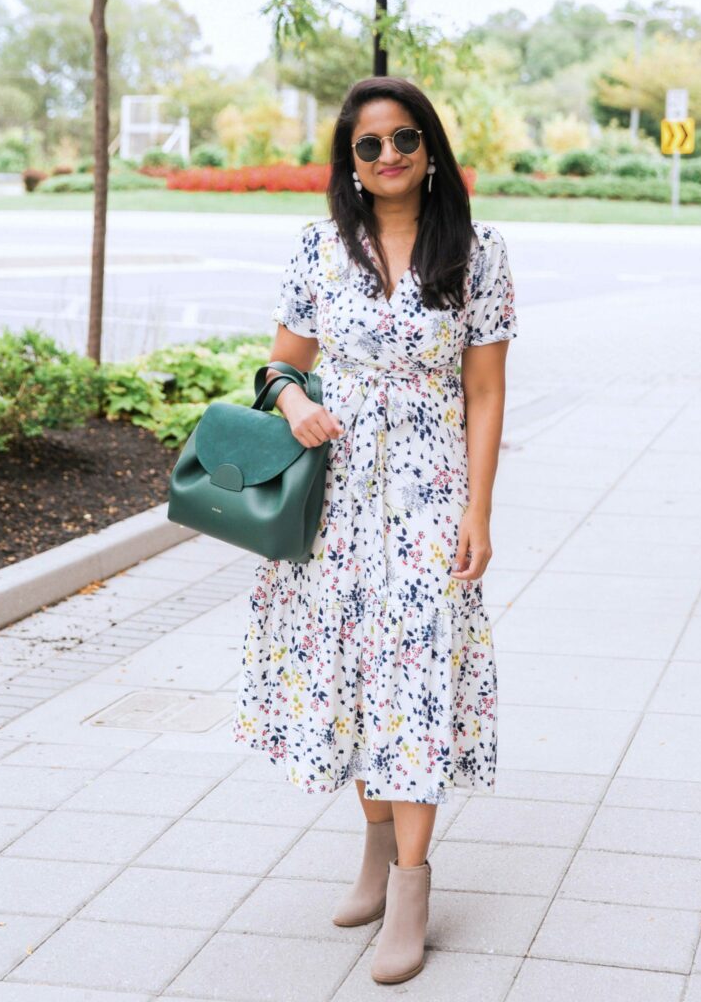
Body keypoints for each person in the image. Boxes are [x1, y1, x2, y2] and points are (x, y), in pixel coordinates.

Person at [232, 75, 518, 984]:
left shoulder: (478, 251)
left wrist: (478, 509)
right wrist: (290, 404)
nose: (388, 156)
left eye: (404, 140)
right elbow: (278, 367)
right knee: (355, 672)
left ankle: (410, 887)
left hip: (431, 497)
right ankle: (372, 852)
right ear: (349, 163)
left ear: (430, 150)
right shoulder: (318, 248)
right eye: (369, 145)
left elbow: (483, 391)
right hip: (339, 501)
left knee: (418, 675)